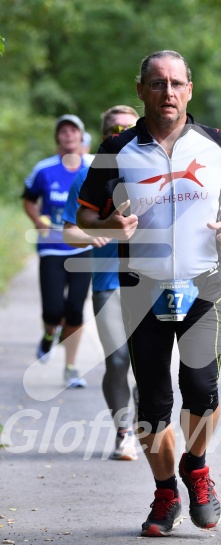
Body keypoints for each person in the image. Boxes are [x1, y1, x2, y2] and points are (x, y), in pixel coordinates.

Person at [76, 50, 221, 536]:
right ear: (141, 91)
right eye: (157, 84)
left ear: (190, 90)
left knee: (202, 389)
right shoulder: (116, 149)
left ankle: (196, 469)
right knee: (153, 403)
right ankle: (164, 495)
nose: (168, 92)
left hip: (203, 285)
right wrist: (111, 224)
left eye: (177, 83)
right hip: (141, 290)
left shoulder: (217, 143)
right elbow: (84, 217)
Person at [63, 105, 140, 460]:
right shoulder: (89, 176)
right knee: (118, 359)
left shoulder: (152, 171)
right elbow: (70, 231)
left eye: (126, 128)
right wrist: (91, 233)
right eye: (113, 129)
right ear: (106, 135)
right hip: (109, 281)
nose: (119, 133)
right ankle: (124, 432)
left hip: (153, 282)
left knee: (149, 363)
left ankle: (149, 418)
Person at [22, 114, 93, 389]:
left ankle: (71, 368)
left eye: (73, 131)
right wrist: (38, 220)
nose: (68, 135)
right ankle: (49, 334)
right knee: (53, 311)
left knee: (75, 311)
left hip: (82, 248)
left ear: (80, 136)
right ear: (58, 138)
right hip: (51, 248)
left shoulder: (92, 169)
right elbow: (29, 201)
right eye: (63, 131)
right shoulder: (44, 169)